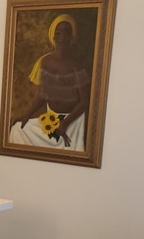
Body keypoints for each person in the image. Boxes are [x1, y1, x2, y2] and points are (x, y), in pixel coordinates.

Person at [9, 13, 91, 150]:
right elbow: (43, 94)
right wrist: (26, 114)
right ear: (53, 36)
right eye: (58, 33)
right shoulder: (46, 62)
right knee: (17, 130)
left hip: (72, 123)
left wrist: (65, 123)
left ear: (71, 36)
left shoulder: (77, 67)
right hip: (50, 120)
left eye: (66, 32)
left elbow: (84, 102)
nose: (62, 37)